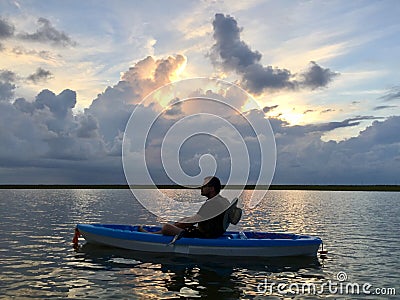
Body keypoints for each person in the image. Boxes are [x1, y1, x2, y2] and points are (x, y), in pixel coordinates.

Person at [139, 176, 231, 238]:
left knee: (167, 227)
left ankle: (151, 235)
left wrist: (176, 225)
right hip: (214, 234)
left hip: (205, 236)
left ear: (212, 188)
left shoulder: (211, 204)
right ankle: (153, 234)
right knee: (184, 219)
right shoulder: (223, 201)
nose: (201, 188)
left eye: (204, 186)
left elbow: (193, 221)